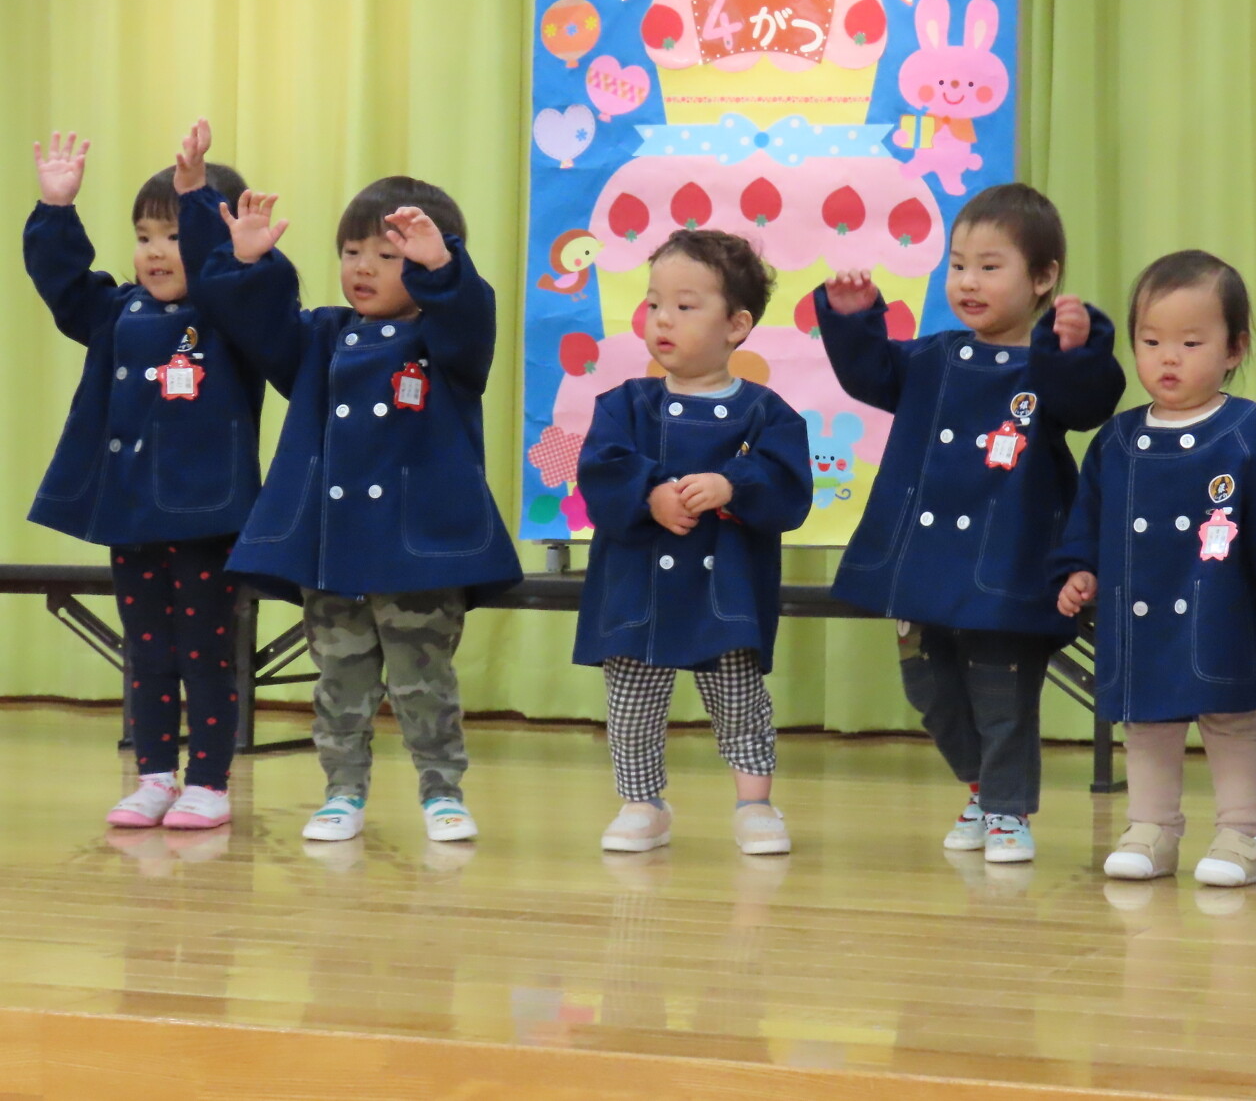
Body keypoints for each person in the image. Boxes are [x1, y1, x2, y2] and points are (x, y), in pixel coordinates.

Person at [176, 124, 520, 843]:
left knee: (423, 680)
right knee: (339, 678)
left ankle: (442, 791)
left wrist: (442, 266)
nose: (362, 268)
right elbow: (257, 321)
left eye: (387, 256)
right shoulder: (321, 336)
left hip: (419, 548)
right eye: (351, 252)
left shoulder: (445, 342)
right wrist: (246, 260)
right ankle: (342, 792)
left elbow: (469, 317)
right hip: (329, 547)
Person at [814, 183, 1125, 863]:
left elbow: (1090, 400)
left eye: (990, 266)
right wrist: (853, 318)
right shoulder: (932, 357)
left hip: (1008, 560)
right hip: (921, 563)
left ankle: (1009, 811)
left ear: (1042, 278)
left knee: (1001, 691)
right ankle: (984, 789)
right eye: (957, 265)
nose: (968, 282)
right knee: (927, 688)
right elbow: (869, 373)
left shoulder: (1045, 369)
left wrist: (1076, 348)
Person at [1055, 250, 1256, 887]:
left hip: (1223, 608)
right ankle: (1151, 829)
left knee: (1234, 722)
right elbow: (1087, 517)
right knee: (1147, 721)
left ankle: (1242, 835)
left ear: (1234, 349)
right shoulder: (1117, 440)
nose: (1168, 358)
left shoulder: (1249, 432)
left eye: (1190, 342)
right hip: (1142, 614)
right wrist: (1079, 569)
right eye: (1151, 342)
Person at [25, 127, 261, 831]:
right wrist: (56, 210)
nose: (156, 252)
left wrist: (208, 214)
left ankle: (209, 782)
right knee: (147, 650)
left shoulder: (231, 316)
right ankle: (156, 776)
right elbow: (65, 285)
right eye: (144, 237)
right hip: (129, 513)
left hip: (205, 518)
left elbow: (249, 288)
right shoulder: (117, 311)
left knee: (204, 653)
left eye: (175, 235)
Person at [574, 230, 812, 856]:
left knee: (739, 700)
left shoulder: (766, 413)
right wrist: (648, 494)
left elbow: (789, 491)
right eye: (654, 303)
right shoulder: (623, 405)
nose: (662, 319)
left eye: (685, 306)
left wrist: (733, 484)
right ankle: (641, 803)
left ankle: (755, 804)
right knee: (631, 701)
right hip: (637, 588)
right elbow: (601, 472)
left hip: (724, 590)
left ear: (736, 325)